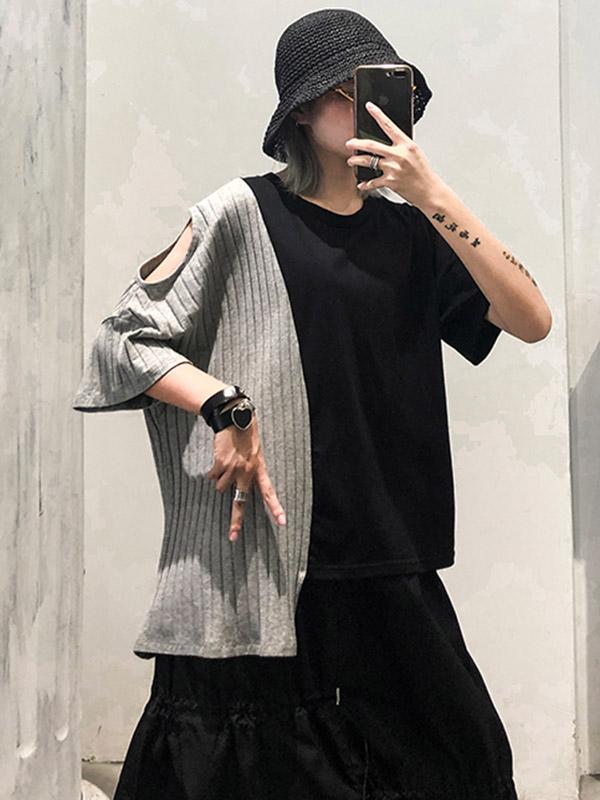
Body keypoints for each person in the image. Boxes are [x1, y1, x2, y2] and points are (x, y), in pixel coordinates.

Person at [73, 8, 552, 800]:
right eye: (344, 90)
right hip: (270, 553)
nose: (369, 108)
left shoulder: (414, 234)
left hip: (389, 543)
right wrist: (225, 405)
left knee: (460, 762)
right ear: (300, 110)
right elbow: (123, 342)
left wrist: (433, 194)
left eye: (385, 90)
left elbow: (530, 319)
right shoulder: (239, 213)